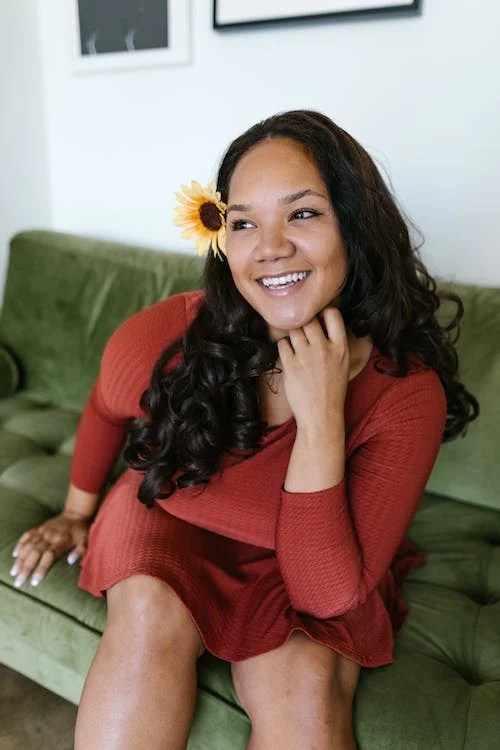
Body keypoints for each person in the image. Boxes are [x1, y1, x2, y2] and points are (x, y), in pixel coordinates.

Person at [9, 110, 478, 750]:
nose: (270, 246)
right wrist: (73, 511)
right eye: (244, 222)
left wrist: (321, 420)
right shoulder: (167, 334)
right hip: (171, 515)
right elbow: (105, 408)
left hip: (314, 544)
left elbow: (323, 594)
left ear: (355, 225)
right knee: (146, 613)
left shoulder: (405, 392)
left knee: (308, 687)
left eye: (302, 213)